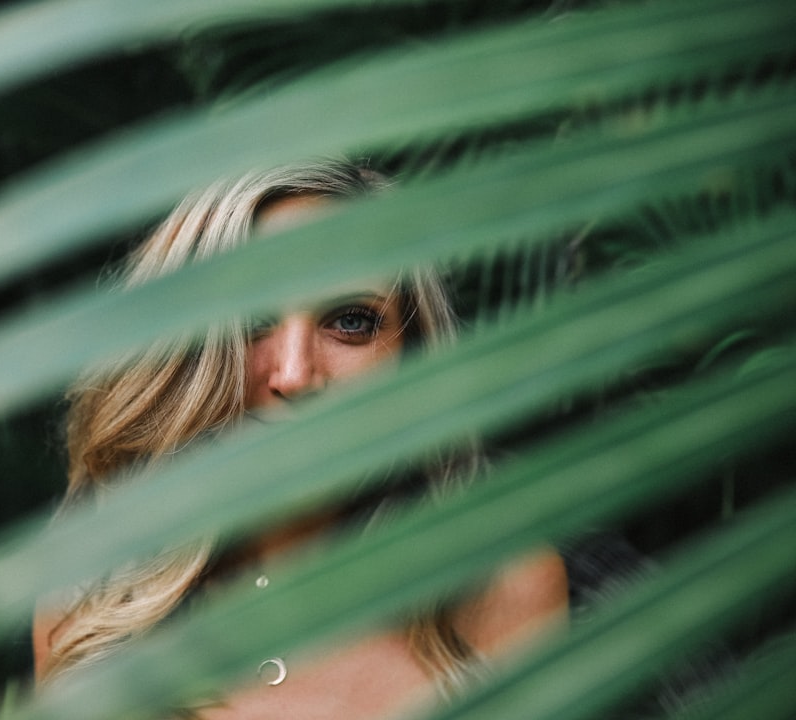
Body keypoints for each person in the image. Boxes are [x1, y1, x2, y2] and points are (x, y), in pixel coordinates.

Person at [33, 160, 569, 719]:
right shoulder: (91, 594)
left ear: (413, 355)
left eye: (352, 322)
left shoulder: (499, 588)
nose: (294, 374)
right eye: (249, 318)